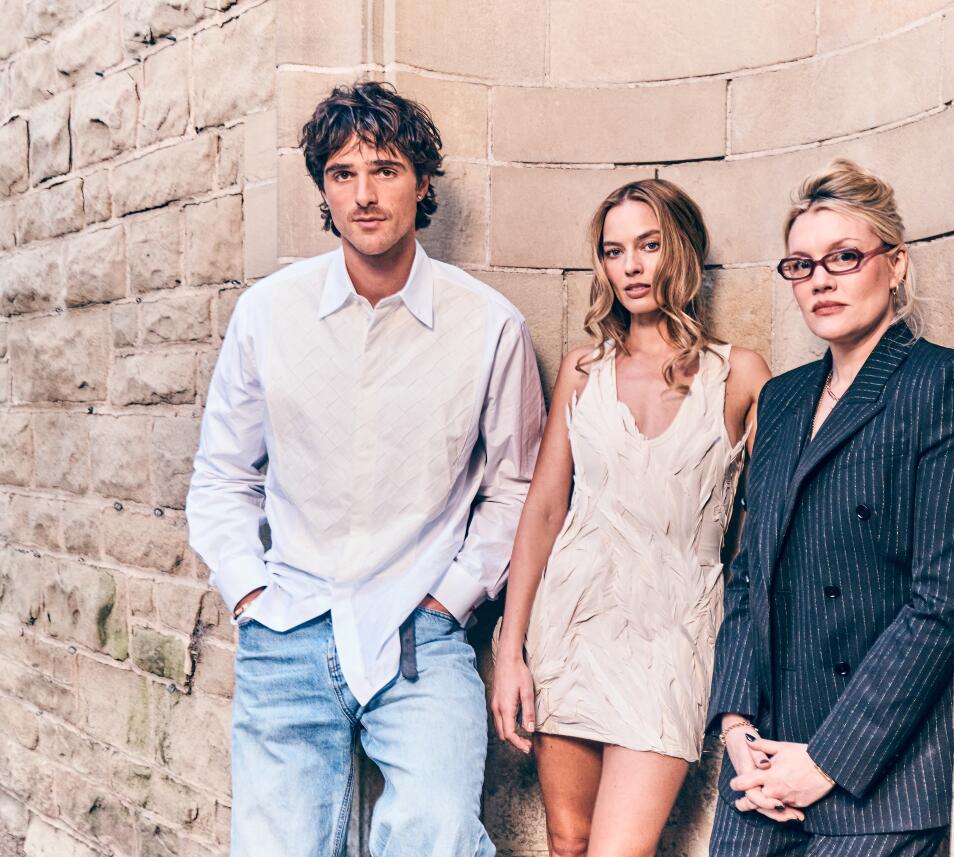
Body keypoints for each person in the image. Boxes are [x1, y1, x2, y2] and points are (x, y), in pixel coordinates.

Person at [186, 81, 545, 857]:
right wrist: (251, 590)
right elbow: (221, 475)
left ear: (422, 183)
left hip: (420, 631)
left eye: (384, 169)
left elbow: (516, 484)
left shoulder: (489, 326)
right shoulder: (268, 314)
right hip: (287, 621)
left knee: (438, 834)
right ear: (323, 189)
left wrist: (451, 599)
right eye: (343, 174)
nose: (365, 193)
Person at [490, 178, 772, 857]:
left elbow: (763, 531)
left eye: (649, 245)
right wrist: (510, 650)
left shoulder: (740, 375)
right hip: (572, 626)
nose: (632, 267)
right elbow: (544, 510)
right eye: (615, 252)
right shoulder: (583, 371)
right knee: (568, 840)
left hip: (673, 638)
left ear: (682, 252)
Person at [708, 159, 954, 857]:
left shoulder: (941, 385)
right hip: (760, 775)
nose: (821, 279)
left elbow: (939, 603)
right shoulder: (783, 397)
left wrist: (823, 761)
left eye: (844, 257)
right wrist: (736, 727)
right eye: (801, 264)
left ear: (896, 264)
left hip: (878, 780)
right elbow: (748, 573)